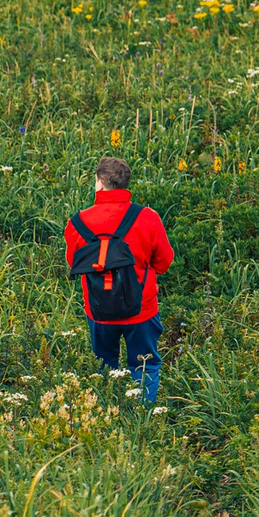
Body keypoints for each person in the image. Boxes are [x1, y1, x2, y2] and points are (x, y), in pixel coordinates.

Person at [64, 155, 173, 406]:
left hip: (99, 310)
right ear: (125, 184)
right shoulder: (148, 218)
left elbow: (74, 263)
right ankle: (143, 418)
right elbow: (164, 263)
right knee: (145, 365)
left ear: (99, 183)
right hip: (141, 310)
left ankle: (107, 416)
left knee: (103, 366)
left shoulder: (77, 223)